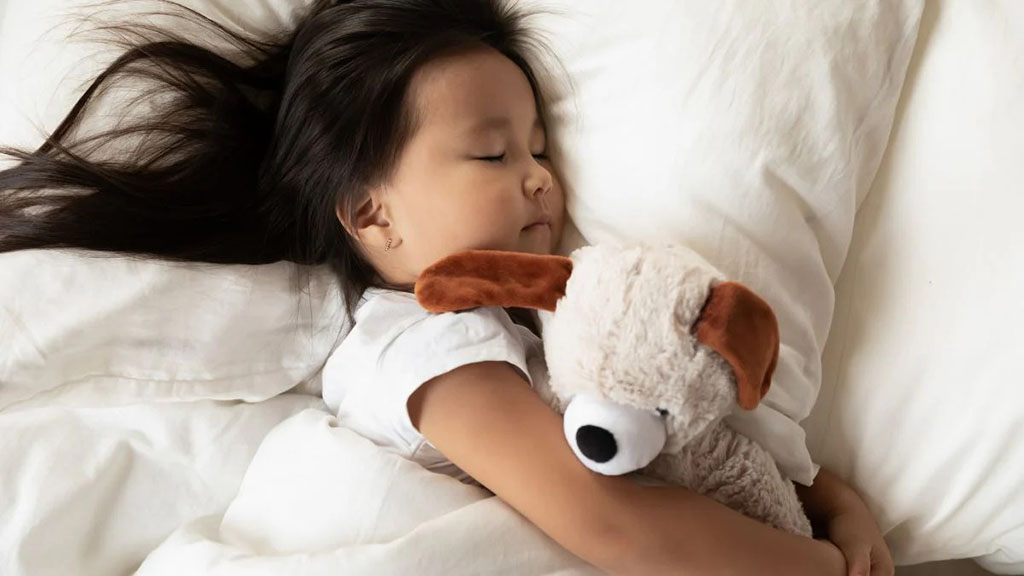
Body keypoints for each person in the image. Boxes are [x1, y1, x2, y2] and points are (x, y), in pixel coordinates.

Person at [0, 1, 893, 574]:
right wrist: (808, 565)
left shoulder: (557, 328)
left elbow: (675, 441)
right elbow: (612, 524)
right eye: (493, 153)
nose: (541, 176)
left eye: (541, 148)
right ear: (373, 217)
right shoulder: (427, 344)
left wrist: (833, 500)